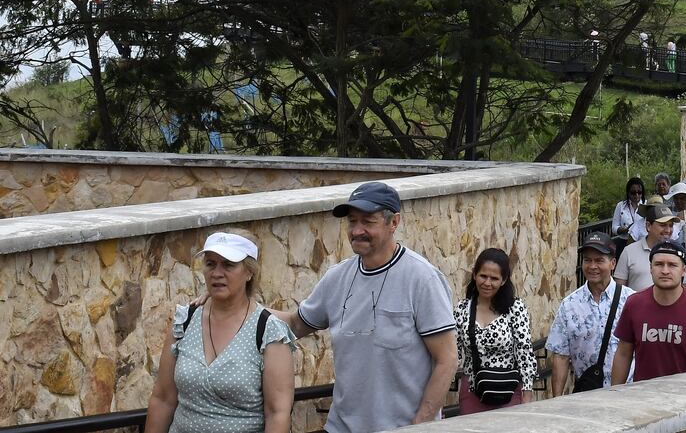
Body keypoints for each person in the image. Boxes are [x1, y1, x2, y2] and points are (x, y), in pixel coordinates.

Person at [274, 182, 458, 432]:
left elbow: (446, 359)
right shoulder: (337, 278)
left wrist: (420, 424)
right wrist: (239, 306)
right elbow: (296, 324)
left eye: (367, 221)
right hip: (341, 427)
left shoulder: (421, 279)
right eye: (352, 221)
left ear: (394, 223)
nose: (356, 230)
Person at [145, 231, 295, 433]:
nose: (217, 273)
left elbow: (277, 413)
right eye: (210, 264)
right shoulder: (186, 321)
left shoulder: (268, 331)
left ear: (249, 272)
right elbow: (163, 399)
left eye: (228, 265)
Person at [610, 241, 686, 383]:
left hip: (685, 398)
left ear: (684, 270)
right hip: (641, 397)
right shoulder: (634, 303)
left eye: (672, 265)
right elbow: (623, 354)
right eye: (659, 264)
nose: (665, 271)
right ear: (650, 268)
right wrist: (615, 393)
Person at [547, 232, 634, 395]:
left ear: (613, 263)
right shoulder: (570, 305)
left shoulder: (631, 301)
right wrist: (556, 399)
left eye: (599, 260)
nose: (592, 266)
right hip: (587, 396)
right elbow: (561, 356)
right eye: (588, 260)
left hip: (628, 396)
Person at [454, 248, 538, 414]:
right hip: (472, 392)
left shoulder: (515, 308)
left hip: (508, 391)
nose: (487, 283)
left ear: (504, 280)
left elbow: (524, 351)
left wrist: (527, 394)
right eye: (483, 276)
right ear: (474, 275)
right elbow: (453, 353)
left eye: (494, 278)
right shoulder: (462, 309)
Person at [615, 204, 686, 291]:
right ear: (648, 226)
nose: (668, 230)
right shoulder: (629, 252)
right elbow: (619, 291)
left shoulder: (681, 253)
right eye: (663, 225)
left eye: (670, 225)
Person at [611, 177, 647, 245]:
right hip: (625, 242)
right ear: (628, 192)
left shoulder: (646, 205)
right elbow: (614, 228)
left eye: (639, 192)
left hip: (642, 242)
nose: (636, 195)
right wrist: (623, 230)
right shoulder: (621, 205)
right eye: (633, 193)